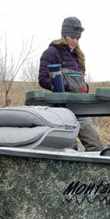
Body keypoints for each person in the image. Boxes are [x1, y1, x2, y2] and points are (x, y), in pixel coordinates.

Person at [38, 16, 103, 152]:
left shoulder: (78, 56)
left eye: (77, 38)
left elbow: (80, 78)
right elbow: (43, 78)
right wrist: (62, 86)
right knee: (70, 148)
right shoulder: (51, 52)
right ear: (64, 35)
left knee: (95, 144)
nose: (75, 41)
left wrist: (84, 88)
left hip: (80, 109)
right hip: (63, 111)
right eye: (72, 37)